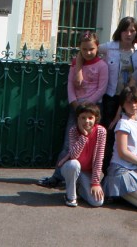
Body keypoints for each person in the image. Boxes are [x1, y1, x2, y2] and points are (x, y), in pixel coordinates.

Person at [37, 30, 109, 188]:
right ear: (79, 48)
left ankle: (82, 179)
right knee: (69, 143)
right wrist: (74, 103)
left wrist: (86, 107)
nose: (88, 52)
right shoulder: (77, 64)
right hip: (76, 108)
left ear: (97, 47)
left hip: (93, 109)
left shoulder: (102, 65)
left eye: (91, 49)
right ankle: (58, 176)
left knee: (91, 143)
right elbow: (70, 84)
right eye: (84, 49)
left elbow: (101, 88)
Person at [58, 103, 107, 208]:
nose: (87, 121)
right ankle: (70, 196)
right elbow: (74, 156)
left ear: (96, 118)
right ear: (78, 118)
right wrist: (84, 136)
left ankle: (80, 189)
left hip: (87, 172)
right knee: (74, 164)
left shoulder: (101, 131)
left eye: (90, 118)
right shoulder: (73, 131)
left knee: (97, 202)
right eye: (83, 118)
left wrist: (95, 183)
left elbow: (99, 158)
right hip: (71, 168)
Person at [99, 17, 137, 130]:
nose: (128, 34)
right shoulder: (110, 47)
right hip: (112, 95)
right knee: (109, 127)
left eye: (132, 31)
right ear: (119, 31)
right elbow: (88, 50)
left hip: (131, 97)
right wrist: (78, 68)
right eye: (125, 30)